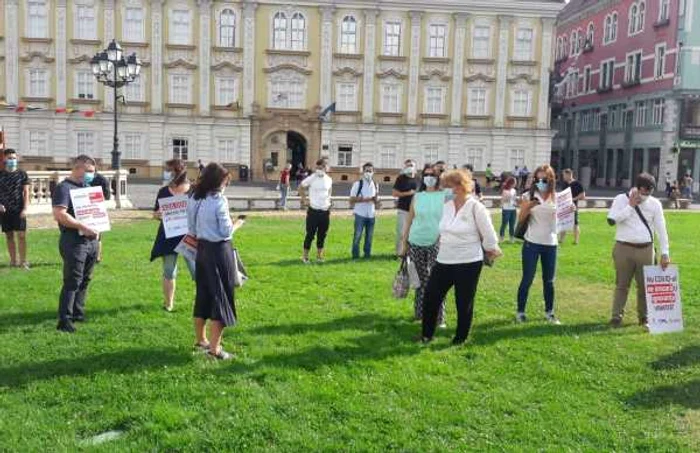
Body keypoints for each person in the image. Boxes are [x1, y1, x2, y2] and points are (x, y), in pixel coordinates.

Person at [419, 169, 501, 345]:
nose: (445, 190)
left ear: (460, 186)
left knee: (463, 301)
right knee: (431, 297)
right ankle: (426, 335)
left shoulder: (475, 207)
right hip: (444, 260)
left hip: (468, 261)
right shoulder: (447, 207)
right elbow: (442, 230)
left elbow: (489, 234)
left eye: (448, 186)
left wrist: (491, 249)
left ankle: (460, 338)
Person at [187, 162, 245, 360]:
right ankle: (215, 349)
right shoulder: (219, 200)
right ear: (219, 181)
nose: (227, 184)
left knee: (203, 294)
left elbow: (191, 228)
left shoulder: (194, 197)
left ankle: (201, 339)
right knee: (222, 298)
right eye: (225, 180)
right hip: (219, 251)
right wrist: (238, 223)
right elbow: (225, 231)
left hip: (201, 250)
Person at [607, 173, 670, 328]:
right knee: (622, 284)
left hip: (646, 249)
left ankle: (644, 317)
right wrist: (630, 206)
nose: (645, 196)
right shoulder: (621, 199)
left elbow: (661, 229)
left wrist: (665, 253)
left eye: (649, 192)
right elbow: (612, 220)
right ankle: (616, 316)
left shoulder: (655, 204)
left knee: (644, 286)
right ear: (637, 187)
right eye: (643, 192)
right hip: (623, 248)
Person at [52, 155, 100, 333]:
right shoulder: (64, 188)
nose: (91, 175)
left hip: (91, 241)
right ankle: (64, 320)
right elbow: (60, 214)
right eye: (89, 171)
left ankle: (78, 312)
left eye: (93, 172)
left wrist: (98, 239)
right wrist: (81, 226)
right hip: (73, 240)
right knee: (72, 280)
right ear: (77, 168)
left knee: (85, 279)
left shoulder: (88, 188)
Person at [400, 165, 447, 327]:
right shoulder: (418, 197)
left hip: (436, 243)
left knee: (437, 282)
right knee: (418, 281)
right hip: (416, 241)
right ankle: (420, 314)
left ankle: (439, 318)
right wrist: (404, 242)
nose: (429, 178)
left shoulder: (444, 195)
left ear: (438, 177)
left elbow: (463, 190)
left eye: (432, 175)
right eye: (426, 175)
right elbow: (409, 220)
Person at [516, 164, 560, 324]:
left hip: (550, 243)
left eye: (544, 179)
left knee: (549, 280)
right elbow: (520, 219)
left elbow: (563, 219)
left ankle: (550, 312)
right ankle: (520, 311)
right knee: (527, 278)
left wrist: (570, 209)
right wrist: (528, 207)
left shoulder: (557, 197)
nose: (541, 182)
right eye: (538, 179)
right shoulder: (528, 195)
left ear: (551, 179)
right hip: (532, 243)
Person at [150, 159, 196, 312]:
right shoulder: (163, 191)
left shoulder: (194, 190)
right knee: (169, 271)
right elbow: (156, 213)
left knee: (197, 271)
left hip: (190, 237)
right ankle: (168, 303)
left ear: (176, 172)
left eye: (168, 170)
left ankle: (203, 303)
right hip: (168, 237)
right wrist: (158, 214)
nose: (165, 172)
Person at [0, 149, 31, 269]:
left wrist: (25, 208)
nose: (12, 160)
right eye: (9, 158)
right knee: (9, 236)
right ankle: (13, 261)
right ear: (4, 159)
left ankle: (23, 262)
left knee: (22, 236)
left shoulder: (22, 174)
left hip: (19, 210)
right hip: (5, 210)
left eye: (13, 158)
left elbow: (26, 192)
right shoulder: (1, 174)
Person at [299, 159, 333, 263]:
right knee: (310, 234)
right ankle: (305, 256)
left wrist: (329, 201)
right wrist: (304, 200)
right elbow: (301, 187)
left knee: (322, 235)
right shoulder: (312, 178)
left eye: (322, 167)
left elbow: (329, 190)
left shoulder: (329, 179)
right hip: (313, 211)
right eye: (317, 168)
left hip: (325, 211)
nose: (319, 169)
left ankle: (319, 256)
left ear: (326, 168)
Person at [350, 163, 379, 259]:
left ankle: (367, 255)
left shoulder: (375, 184)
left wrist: (376, 202)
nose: (368, 173)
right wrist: (364, 200)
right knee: (358, 235)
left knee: (369, 237)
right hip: (360, 214)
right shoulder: (358, 184)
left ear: (373, 172)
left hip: (371, 214)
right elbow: (351, 200)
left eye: (370, 171)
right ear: (363, 172)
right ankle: (355, 255)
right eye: (366, 171)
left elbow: (376, 199)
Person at [392, 159, 418, 256]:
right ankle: (400, 253)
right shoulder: (401, 178)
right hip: (403, 209)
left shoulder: (418, 178)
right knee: (402, 232)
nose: (410, 167)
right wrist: (408, 193)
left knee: (413, 233)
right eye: (408, 165)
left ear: (415, 167)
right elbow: (394, 193)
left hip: (416, 210)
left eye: (411, 165)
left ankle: (411, 253)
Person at [558, 169, 586, 245]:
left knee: (575, 224)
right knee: (563, 223)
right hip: (564, 207)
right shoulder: (564, 184)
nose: (563, 177)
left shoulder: (578, 184)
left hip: (573, 207)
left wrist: (573, 199)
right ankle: (561, 240)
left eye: (564, 175)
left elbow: (583, 196)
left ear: (569, 174)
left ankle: (576, 241)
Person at [90, 170, 111, 263]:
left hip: (97, 208)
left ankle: (97, 257)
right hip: (84, 209)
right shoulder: (80, 179)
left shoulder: (102, 179)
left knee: (97, 235)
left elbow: (107, 196)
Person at [499, 176, 518, 243]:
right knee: (504, 223)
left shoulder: (514, 190)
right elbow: (503, 200)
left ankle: (511, 237)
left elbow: (514, 199)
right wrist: (507, 197)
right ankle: (501, 237)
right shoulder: (505, 190)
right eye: (515, 182)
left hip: (513, 209)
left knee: (512, 224)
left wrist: (516, 203)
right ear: (511, 183)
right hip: (506, 209)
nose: (516, 183)